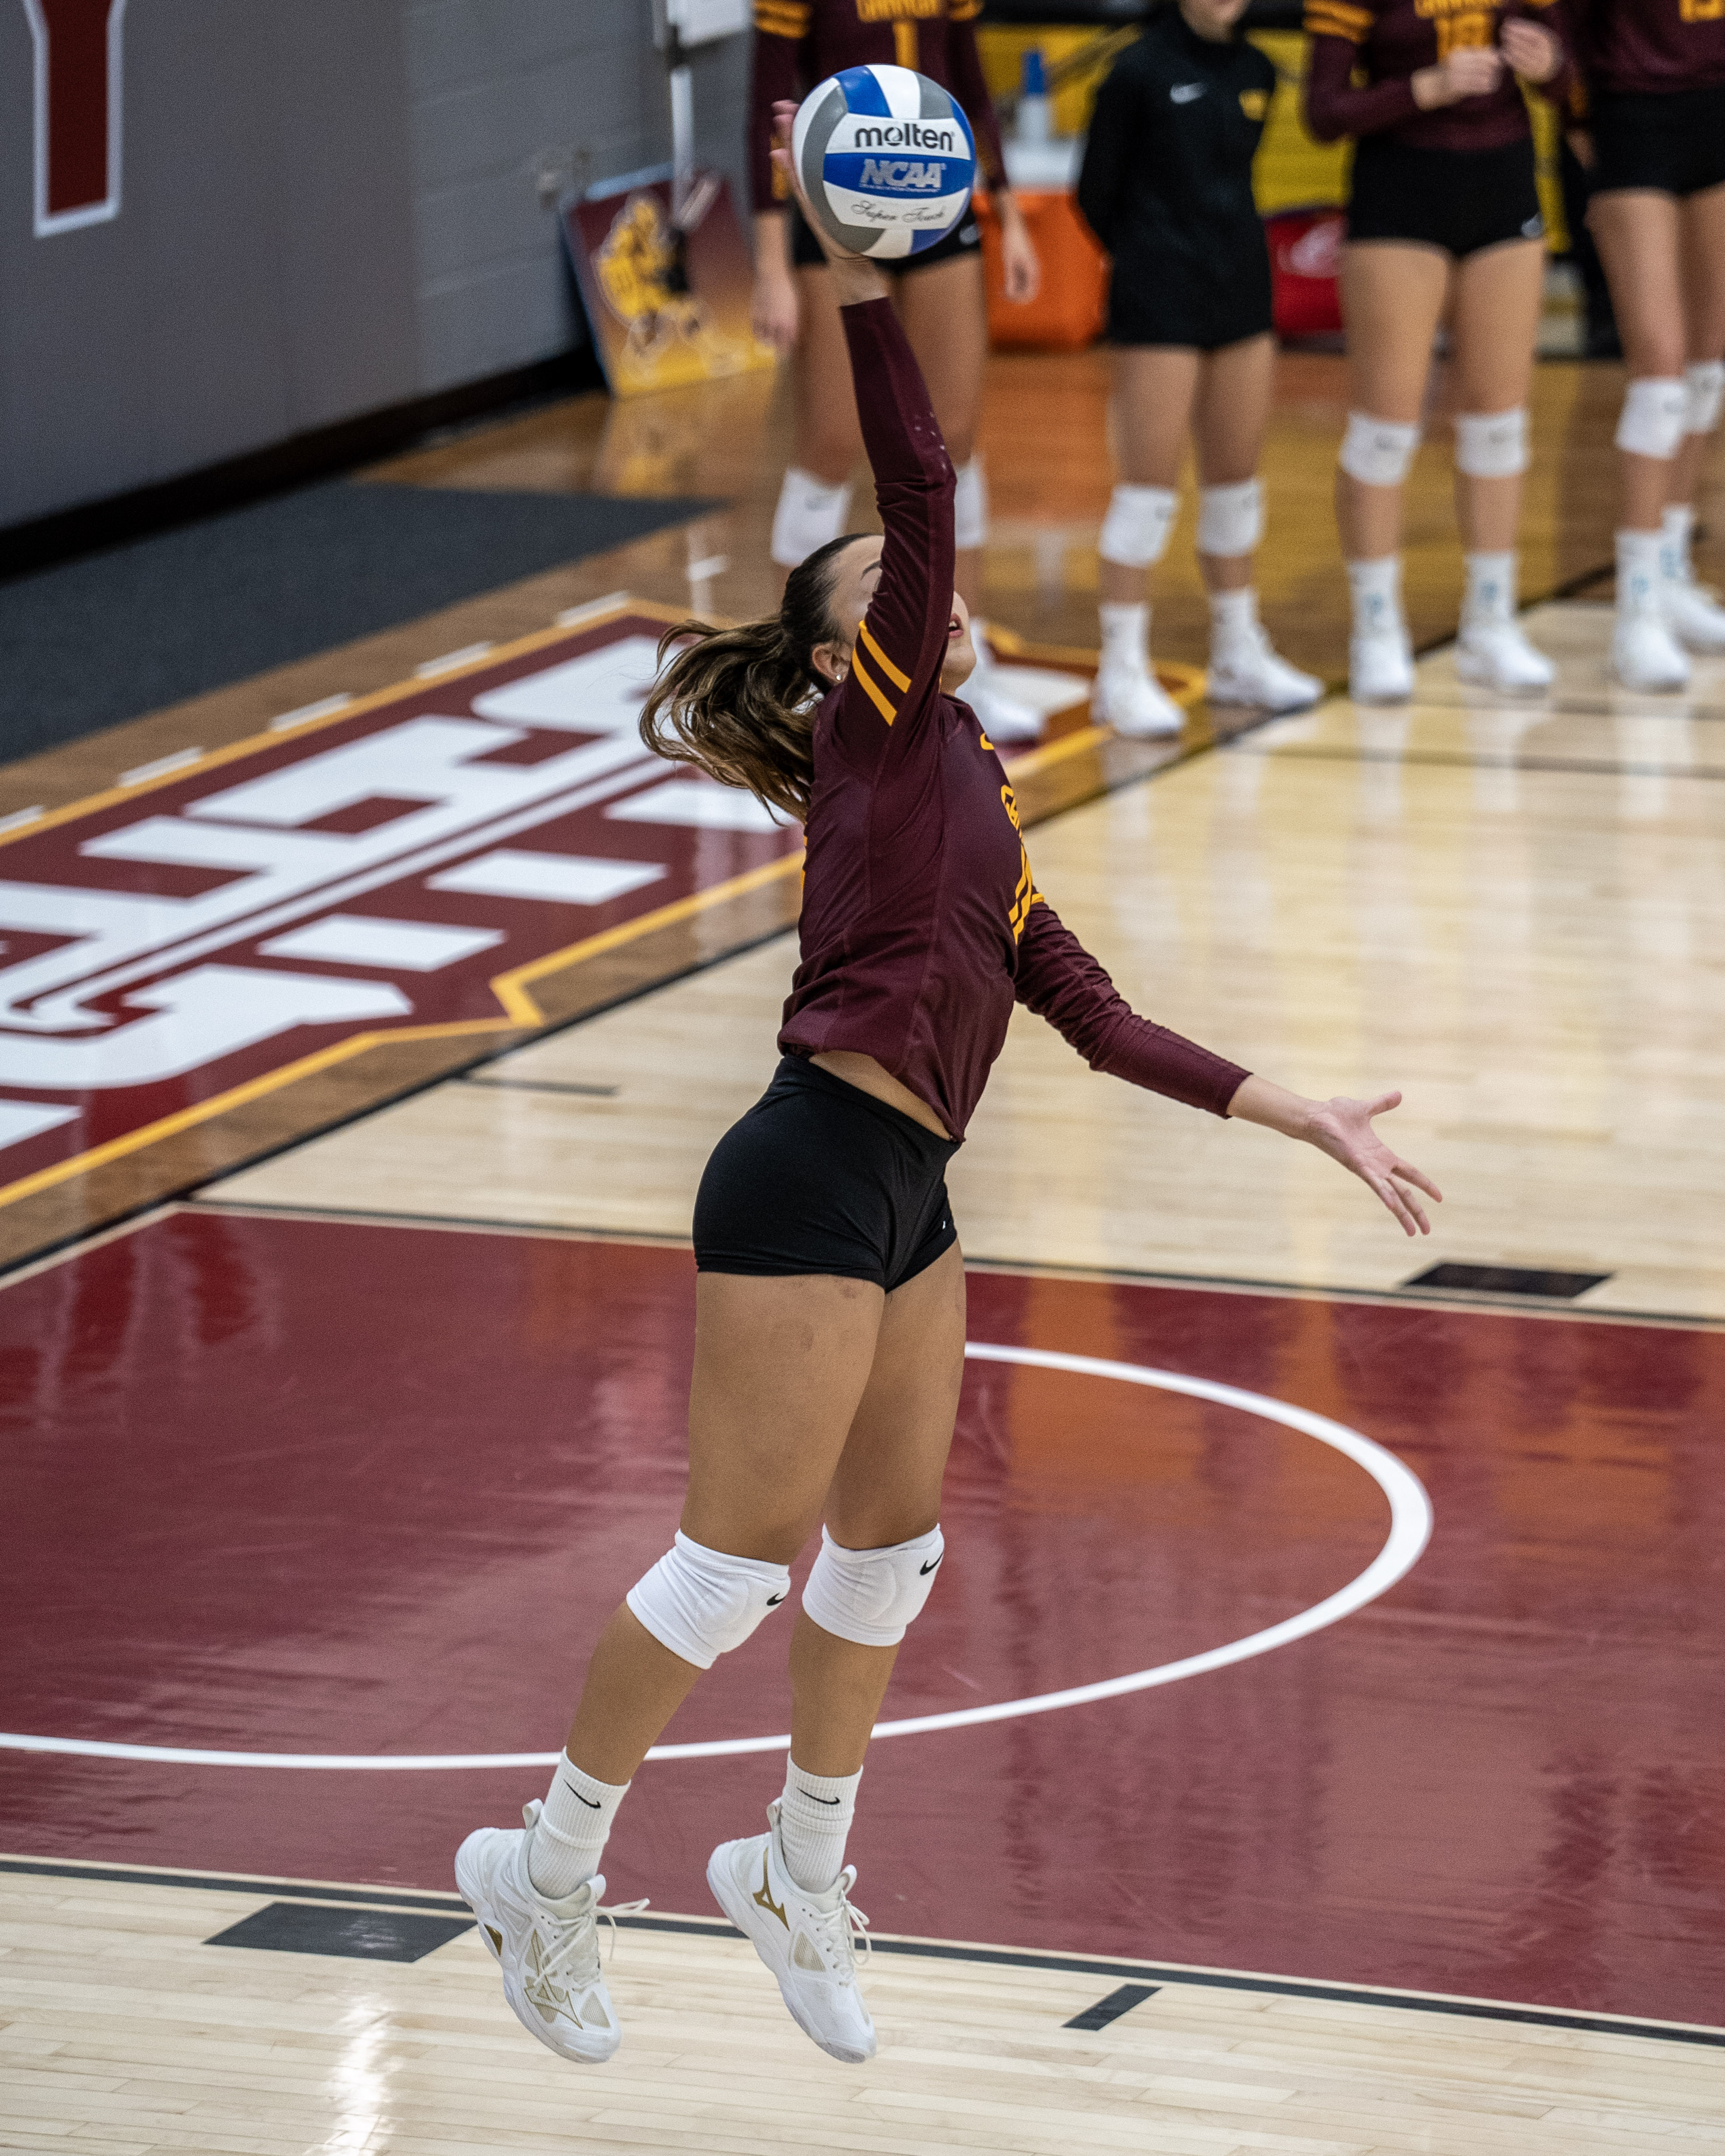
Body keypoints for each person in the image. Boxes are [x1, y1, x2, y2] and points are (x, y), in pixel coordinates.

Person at [455, 101, 1443, 2075]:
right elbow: (919, 463)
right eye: (888, 580)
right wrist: (862, 284)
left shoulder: (971, 782)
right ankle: (544, 1863)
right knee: (730, 1562)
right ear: (850, 656)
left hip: (913, 1196)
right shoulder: (882, 732)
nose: (923, 578)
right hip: (811, 1165)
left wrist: (1299, 1108)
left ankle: (792, 1863)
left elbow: (1088, 1005)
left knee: (889, 1552)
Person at [748, 0, 1046, 741]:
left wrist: (1006, 216)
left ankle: (966, 678)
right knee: (829, 443)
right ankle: (794, 677)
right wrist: (771, 265)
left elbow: (973, 90)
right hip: (839, 201)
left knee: (958, 448)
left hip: (939, 202)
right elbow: (767, 111)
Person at [1305, 0, 1572, 700]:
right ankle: (1376, 628)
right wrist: (1427, 87)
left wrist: (1552, 70)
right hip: (1400, 195)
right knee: (1386, 428)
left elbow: (1573, 81)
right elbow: (1323, 112)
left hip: (1505, 186)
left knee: (1498, 425)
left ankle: (1490, 623)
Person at [1077, 0, 1324, 733]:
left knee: (1237, 487)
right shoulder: (1136, 72)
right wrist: (1155, 257)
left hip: (1241, 288)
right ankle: (1121, 669)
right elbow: (1096, 193)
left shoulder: (1255, 69)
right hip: (1161, 294)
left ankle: (1238, 650)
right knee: (1148, 492)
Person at [1567, 0, 1725, 689]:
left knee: (1707, 368)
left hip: (1715, 111)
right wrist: (1576, 114)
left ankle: (1669, 571)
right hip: (1633, 117)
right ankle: (1635, 611)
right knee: (1659, 374)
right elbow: (1560, 28)